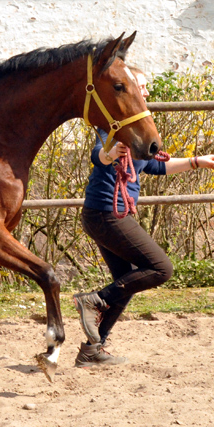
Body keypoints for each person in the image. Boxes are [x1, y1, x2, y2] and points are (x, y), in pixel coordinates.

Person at [73, 66, 214, 367]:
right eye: (142, 86)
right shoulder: (112, 131)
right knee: (161, 268)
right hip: (106, 215)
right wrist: (110, 156)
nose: (145, 93)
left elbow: (155, 167)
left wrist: (197, 161)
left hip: (101, 216)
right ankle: (91, 300)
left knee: (126, 283)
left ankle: (92, 349)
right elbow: (100, 153)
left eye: (145, 88)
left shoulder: (133, 132)